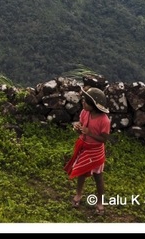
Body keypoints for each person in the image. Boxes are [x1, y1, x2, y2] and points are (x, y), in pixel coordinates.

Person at [64, 86, 111, 215]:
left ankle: (100, 201)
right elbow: (81, 126)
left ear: (94, 106)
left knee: (98, 177)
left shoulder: (104, 121)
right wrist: (78, 129)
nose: (83, 102)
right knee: (81, 172)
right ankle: (78, 194)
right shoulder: (85, 113)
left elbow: (103, 139)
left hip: (95, 151)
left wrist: (89, 133)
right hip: (84, 147)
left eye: (86, 101)